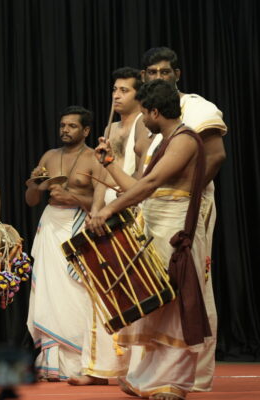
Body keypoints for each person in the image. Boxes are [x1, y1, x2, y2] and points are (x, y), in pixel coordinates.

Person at [88, 79, 212, 400]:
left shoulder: (185, 140)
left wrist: (107, 210)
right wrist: (110, 163)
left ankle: (174, 384)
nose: (142, 119)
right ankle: (150, 378)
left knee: (176, 306)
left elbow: (152, 182)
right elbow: (136, 186)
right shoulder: (165, 142)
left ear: (155, 111)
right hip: (156, 227)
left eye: (144, 112)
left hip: (175, 230)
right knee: (157, 305)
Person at [140, 47, 226, 392]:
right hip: (153, 210)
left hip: (188, 208)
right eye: (152, 72)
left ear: (177, 74)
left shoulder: (199, 109)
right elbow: (145, 174)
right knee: (155, 288)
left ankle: (190, 377)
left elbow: (216, 156)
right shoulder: (145, 114)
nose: (159, 77)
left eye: (165, 71)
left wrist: (185, 201)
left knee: (191, 287)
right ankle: (149, 376)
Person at [71, 67, 149, 386]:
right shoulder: (112, 127)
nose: (116, 95)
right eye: (114, 89)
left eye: (124, 90)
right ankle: (100, 367)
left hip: (139, 210)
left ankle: (138, 369)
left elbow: (145, 177)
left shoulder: (147, 125)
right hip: (111, 212)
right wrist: (95, 209)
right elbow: (103, 175)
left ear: (139, 95)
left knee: (137, 291)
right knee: (103, 291)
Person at [24, 106, 104, 381]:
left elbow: (101, 202)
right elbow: (31, 201)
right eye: (62, 125)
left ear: (86, 130)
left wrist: (74, 199)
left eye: (71, 126)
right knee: (47, 291)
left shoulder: (94, 158)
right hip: (50, 226)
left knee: (76, 292)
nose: (65, 130)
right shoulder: (49, 156)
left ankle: (84, 362)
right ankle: (50, 363)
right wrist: (35, 183)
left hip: (79, 226)